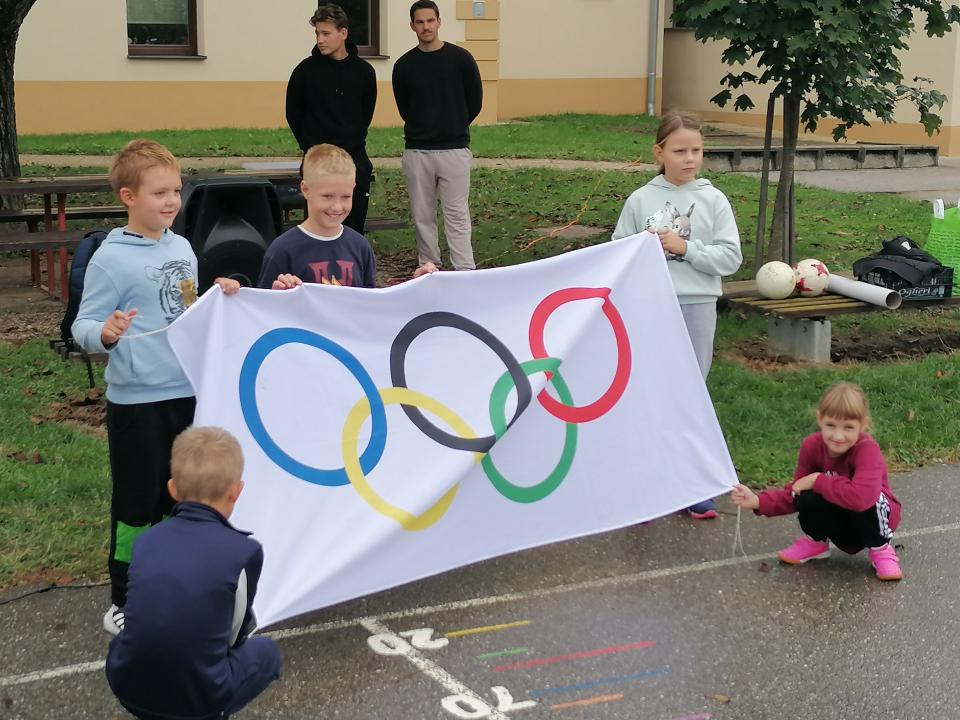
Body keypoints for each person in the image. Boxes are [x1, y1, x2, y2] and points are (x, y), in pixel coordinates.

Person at [71, 140, 240, 635]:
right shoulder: (110, 259)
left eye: (176, 190)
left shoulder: (182, 247)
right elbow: (82, 324)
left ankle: (169, 585)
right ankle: (124, 598)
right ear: (128, 196)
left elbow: (186, 310)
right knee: (137, 502)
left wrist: (219, 295)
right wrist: (105, 333)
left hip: (187, 394)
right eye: (159, 193)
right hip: (138, 402)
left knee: (181, 497)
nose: (171, 201)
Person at [612, 110, 742, 520]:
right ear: (659, 153)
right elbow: (618, 253)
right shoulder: (640, 200)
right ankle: (646, 485)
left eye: (696, 151)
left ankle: (692, 485)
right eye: (680, 151)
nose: (689, 159)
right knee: (650, 391)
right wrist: (644, 250)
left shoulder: (714, 200)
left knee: (691, 393)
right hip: (651, 306)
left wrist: (686, 249)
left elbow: (730, 258)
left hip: (697, 306)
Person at [105, 426, 282, 719]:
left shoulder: (146, 540)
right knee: (267, 653)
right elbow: (234, 635)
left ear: (173, 489)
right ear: (236, 491)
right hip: (201, 699)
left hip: (125, 682)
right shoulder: (245, 551)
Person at [730, 383, 903, 581]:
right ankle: (817, 542)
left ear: (863, 425)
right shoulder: (811, 446)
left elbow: (861, 499)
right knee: (806, 494)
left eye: (848, 427)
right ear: (820, 419)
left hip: (872, 520)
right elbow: (795, 491)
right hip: (840, 517)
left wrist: (818, 480)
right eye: (831, 425)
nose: (838, 436)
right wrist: (757, 501)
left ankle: (880, 549)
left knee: (871, 497)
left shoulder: (867, 449)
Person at [392, 0, 483, 271]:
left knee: (457, 215)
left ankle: (464, 271)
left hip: (454, 149)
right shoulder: (404, 66)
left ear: (439, 22)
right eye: (420, 22)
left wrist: (453, 124)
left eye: (430, 20)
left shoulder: (461, 59)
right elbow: (405, 107)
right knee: (423, 216)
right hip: (418, 150)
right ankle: (429, 269)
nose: (426, 27)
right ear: (412, 26)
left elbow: (474, 101)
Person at [286, 4, 377, 234]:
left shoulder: (364, 72)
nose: (320, 40)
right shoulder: (304, 72)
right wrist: (312, 148)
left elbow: (365, 115)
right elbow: (293, 114)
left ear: (343, 33)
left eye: (326, 33)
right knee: (318, 232)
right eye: (317, 33)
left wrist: (349, 142)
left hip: (354, 161)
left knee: (352, 231)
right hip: (317, 162)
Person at [257, 143, 377, 289]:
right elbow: (263, 301)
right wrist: (279, 291)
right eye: (327, 196)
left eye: (346, 197)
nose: (337, 207)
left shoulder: (360, 247)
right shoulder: (282, 250)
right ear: (305, 189)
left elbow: (370, 299)